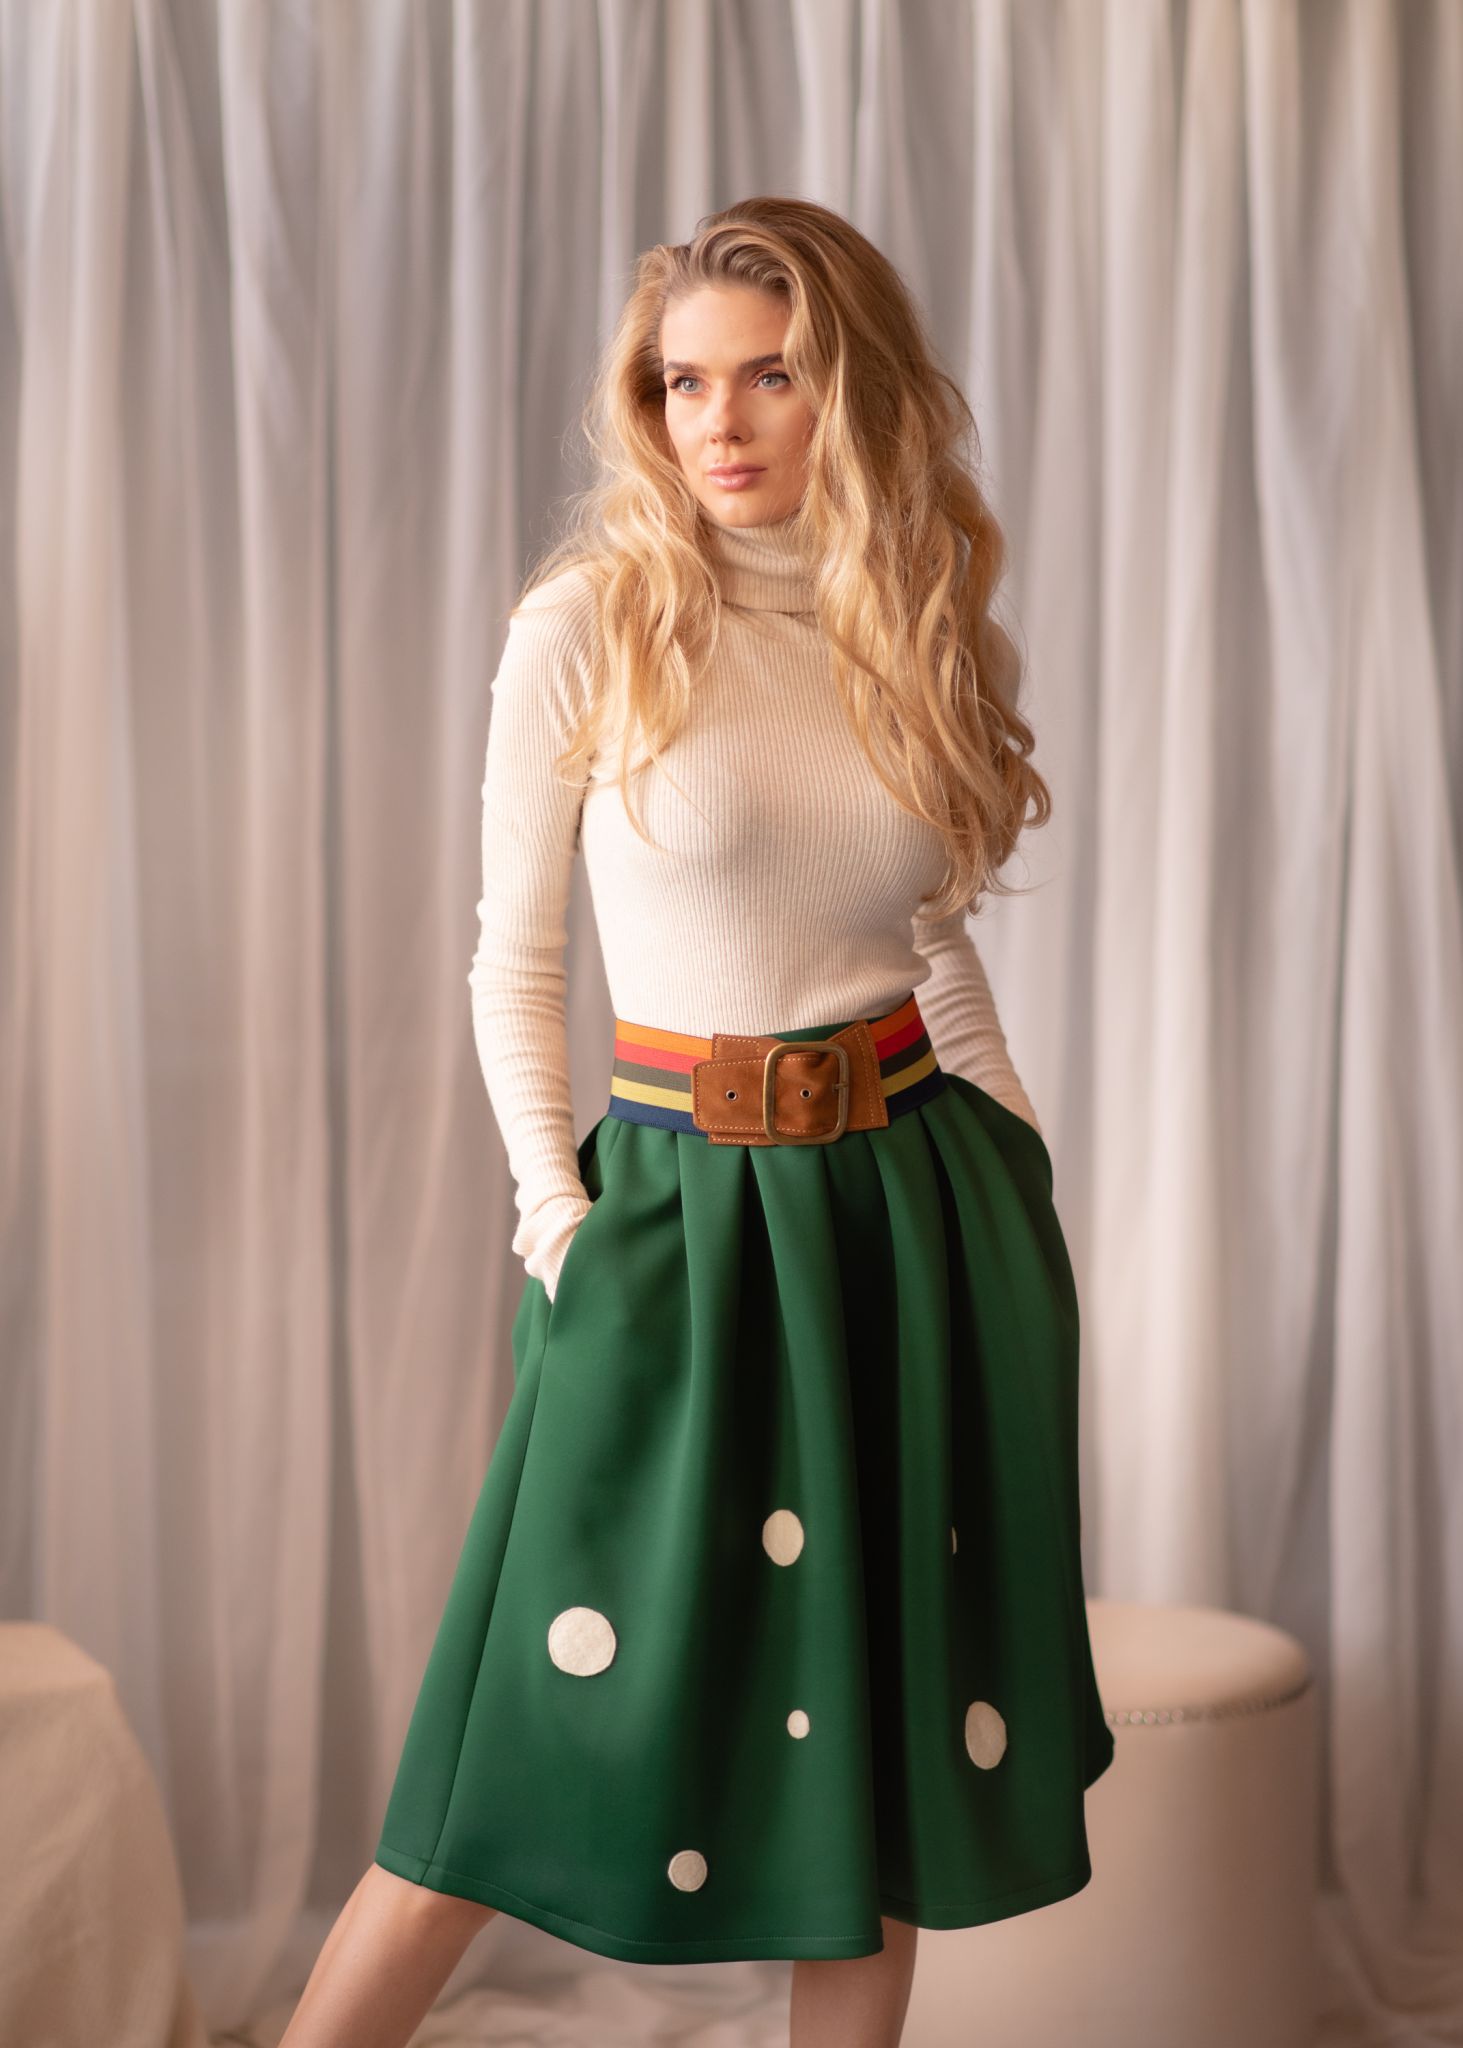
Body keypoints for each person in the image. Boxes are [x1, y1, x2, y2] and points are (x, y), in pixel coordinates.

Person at [280, 195, 1114, 2048]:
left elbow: (930, 942)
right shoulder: (595, 622)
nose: (718, 423)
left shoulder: (902, 624)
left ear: (855, 394)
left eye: (771, 376)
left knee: (880, 1765)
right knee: (501, 1747)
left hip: (911, 1216)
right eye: (682, 384)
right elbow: (513, 964)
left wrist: (1019, 1180)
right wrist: (560, 1225)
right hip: (674, 1215)